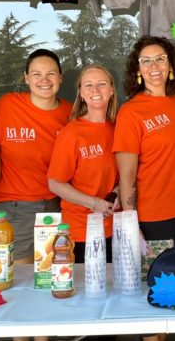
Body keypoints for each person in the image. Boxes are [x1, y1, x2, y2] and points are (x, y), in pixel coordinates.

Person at [113, 36, 175, 251]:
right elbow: (127, 175)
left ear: (170, 65)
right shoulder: (131, 111)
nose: (154, 66)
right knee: (160, 281)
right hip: (153, 214)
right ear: (138, 69)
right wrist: (130, 221)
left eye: (160, 59)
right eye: (146, 61)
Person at [0, 49, 72, 264]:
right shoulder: (5, 106)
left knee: (54, 273)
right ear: (26, 78)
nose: (44, 80)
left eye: (51, 73)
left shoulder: (71, 113)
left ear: (60, 77)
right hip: (13, 208)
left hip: (57, 206)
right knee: (18, 277)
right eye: (36, 74)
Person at [47, 65, 118, 264]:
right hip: (82, 231)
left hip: (116, 227)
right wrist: (93, 203)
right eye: (89, 85)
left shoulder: (119, 128)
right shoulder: (72, 133)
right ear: (81, 93)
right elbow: (55, 183)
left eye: (101, 84)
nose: (95, 90)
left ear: (112, 90)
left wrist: (121, 190)